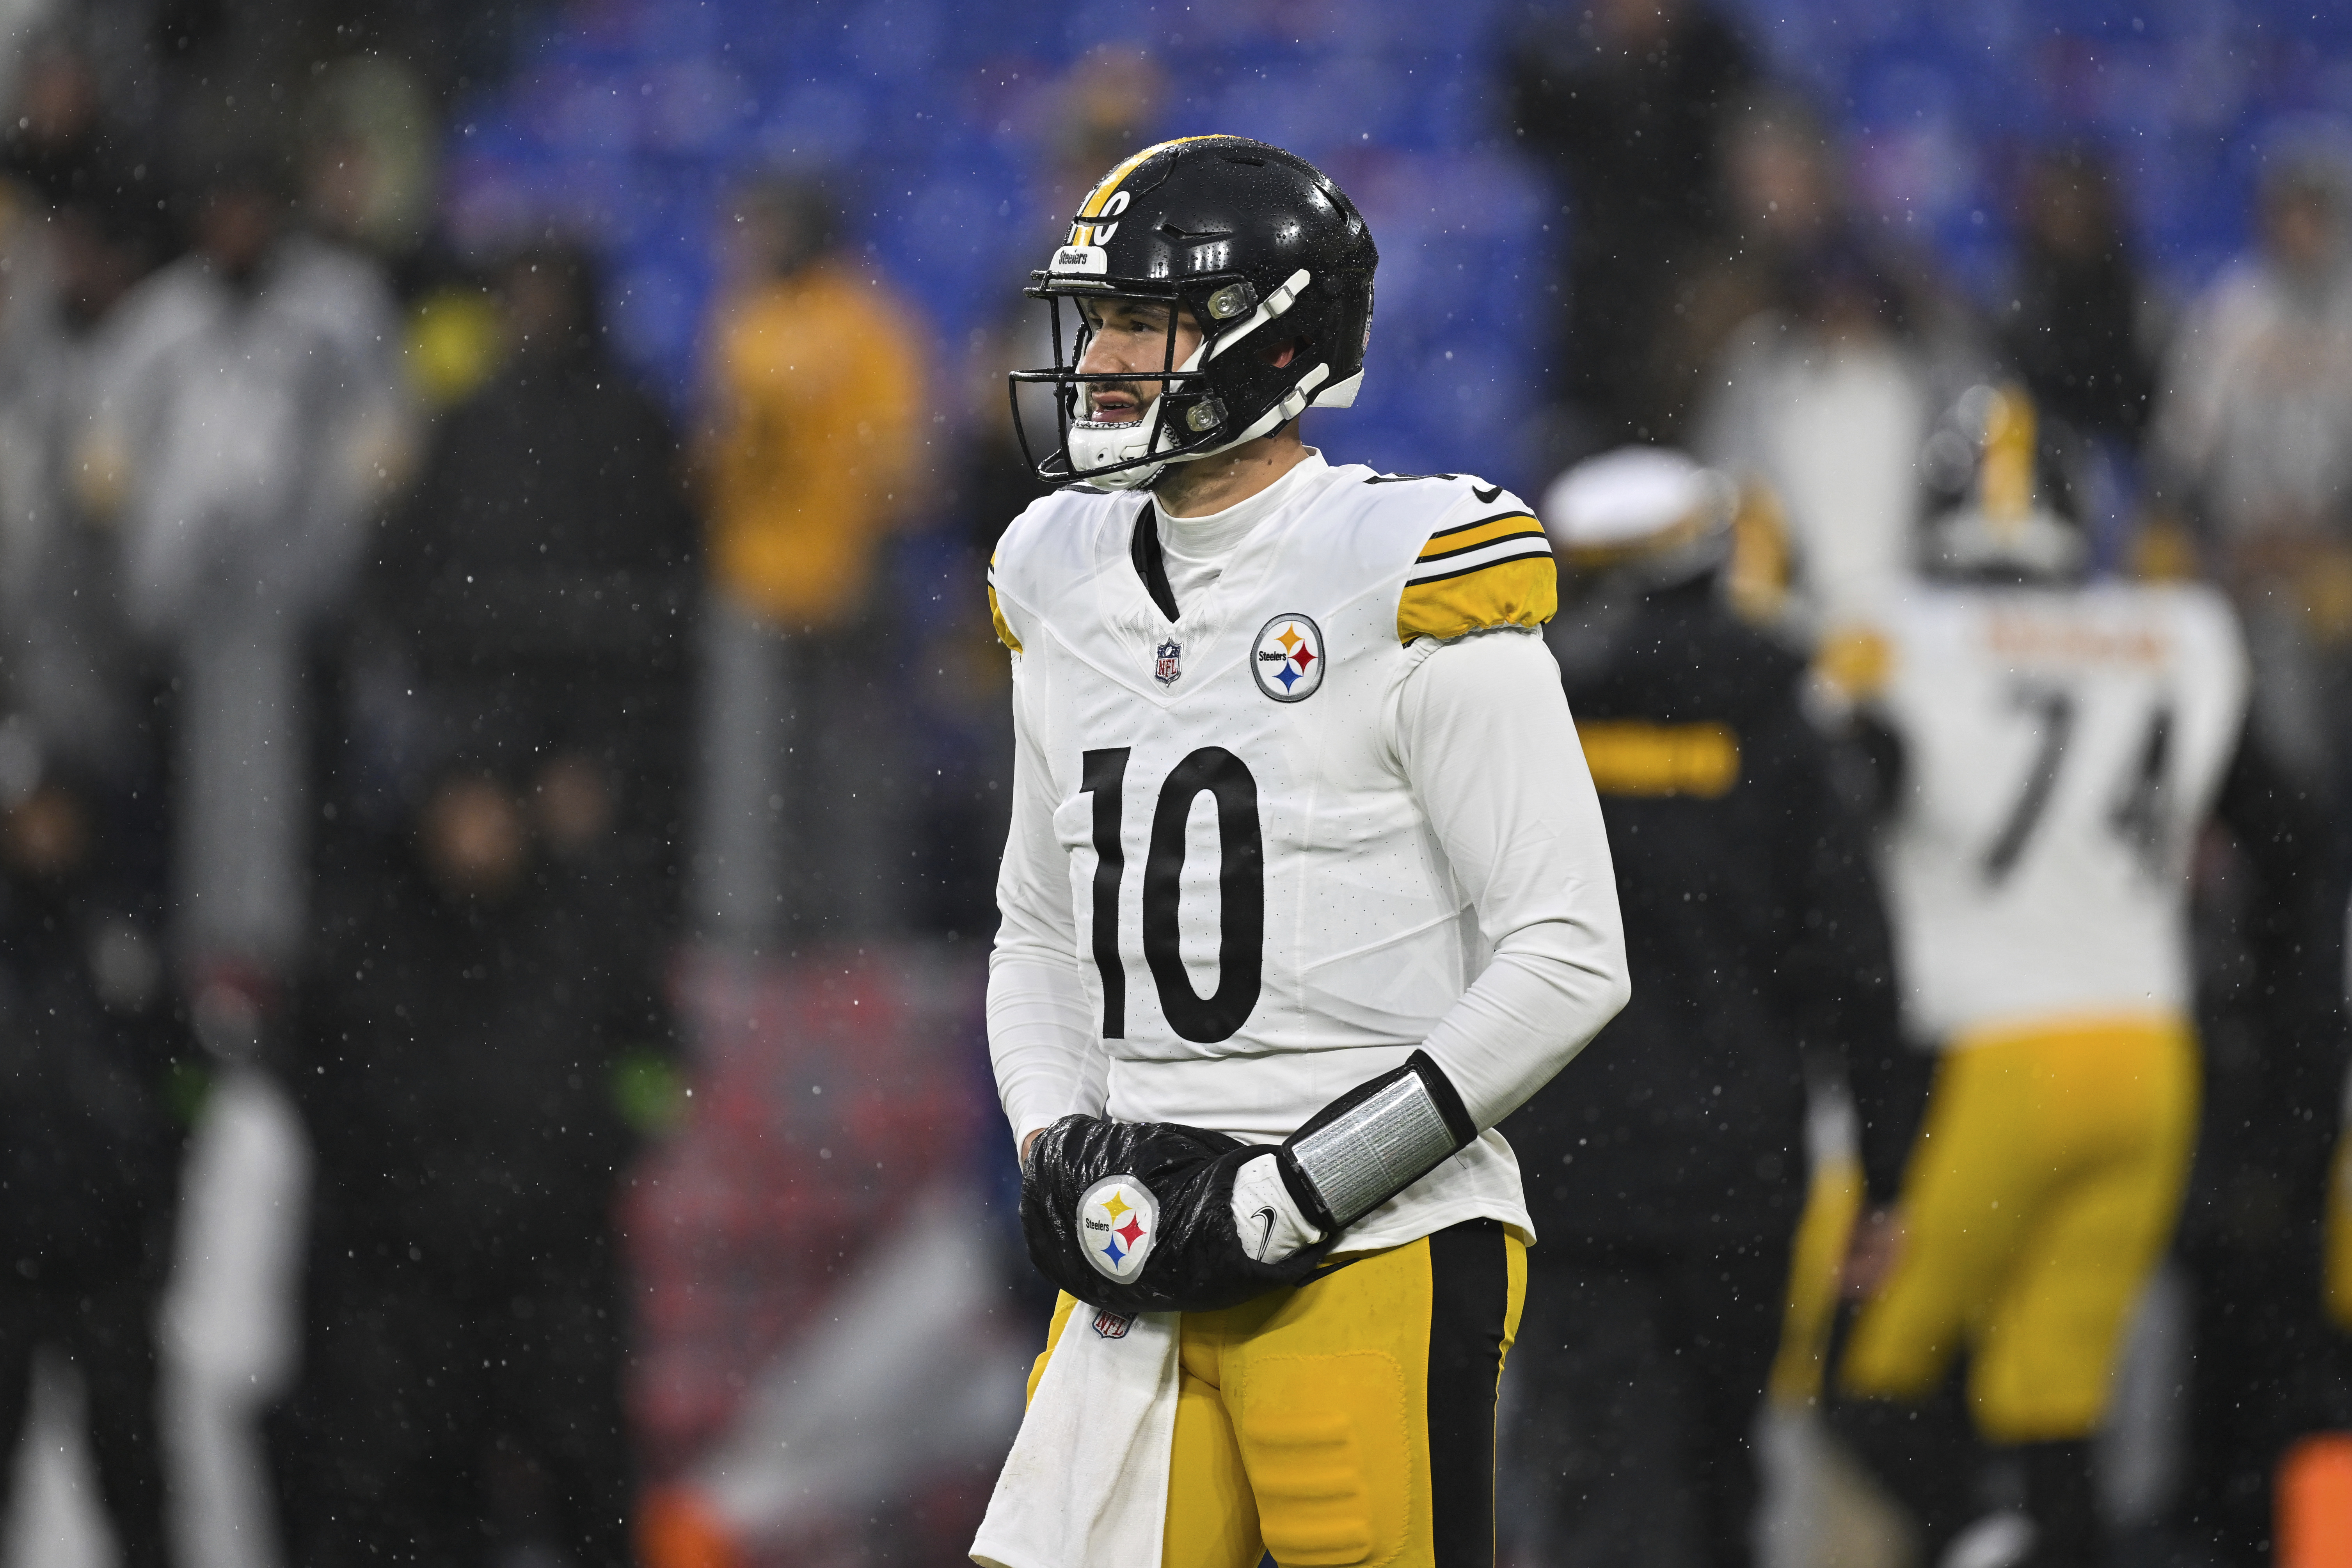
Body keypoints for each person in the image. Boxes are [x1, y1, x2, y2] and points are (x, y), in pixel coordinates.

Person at [967, 135, 1629, 1568]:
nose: (1103, 358)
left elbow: (1573, 955)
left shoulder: (1404, 564)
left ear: (1271, 340)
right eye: (1102, 320)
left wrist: (1298, 1186)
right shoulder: (1056, 572)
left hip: (1375, 1241)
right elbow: (1034, 933)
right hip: (1146, 1246)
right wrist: (1055, 1147)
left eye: (1145, 318)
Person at [269, 241, 692, 1568]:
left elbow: (652, 1073)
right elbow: (309, 1075)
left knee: (577, 1487)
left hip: (553, 1268)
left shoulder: (584, 929)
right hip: (403, 1284)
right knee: (404, 1496)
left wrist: (575, 1166)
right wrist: (399, 1192)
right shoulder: (368, 927)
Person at [1823, 385, 2247, 1567]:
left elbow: (1841, 820)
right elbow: (2275, 827)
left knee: (1862, 1373)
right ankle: (2026, 1534)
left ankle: (1978, 1532)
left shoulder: (1888, 629)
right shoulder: (2176, 630)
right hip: (2148, 1051)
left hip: (1988, 1051)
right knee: (2050, 1405)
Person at [1502, 446, 1902, 1568]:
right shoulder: (1783, 719)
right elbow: (1856, 964)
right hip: (1741, 1175)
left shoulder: (1524, 713)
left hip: (1565, 1173)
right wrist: (1889, 1173)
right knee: (1721, 1472)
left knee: (1596, 1484)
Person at [693, 170, 923, 951]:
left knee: (840, 777)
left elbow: (900, 467)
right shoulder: (748, 320)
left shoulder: (861, 322)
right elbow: (719, 457)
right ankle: (754, 937)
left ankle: (850, 937)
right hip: (758, 575)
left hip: (838, 578)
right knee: (757, 777)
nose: (755, 243)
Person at [1506, 0, 1756, 451]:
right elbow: (1520, 117)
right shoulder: (1577, 75)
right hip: (1600, 336)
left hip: (1681, 328)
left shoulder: (1716, 75)